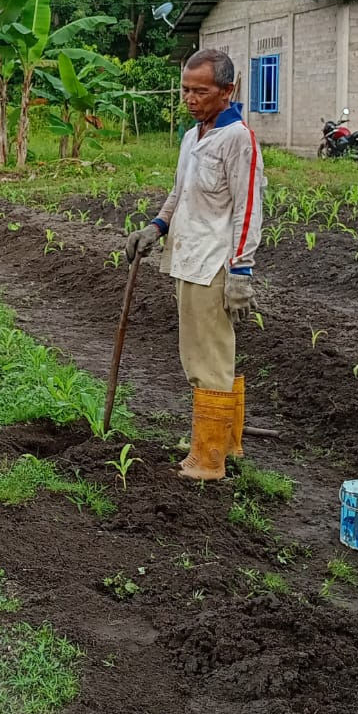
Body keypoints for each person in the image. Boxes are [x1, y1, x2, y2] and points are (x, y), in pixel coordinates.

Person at [124, 48, 263, 480]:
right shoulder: (192, 137)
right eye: (186, 89)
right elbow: (180, 193)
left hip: (213, 266)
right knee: (203, 356)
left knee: (209, 360)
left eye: (200, 91)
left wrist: (241, 273)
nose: (190, 98)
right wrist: (155, 228)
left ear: (228, 90)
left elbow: (248, 210)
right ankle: (226, 444)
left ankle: (208, 460)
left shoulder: (238, 140)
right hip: (187, 259)